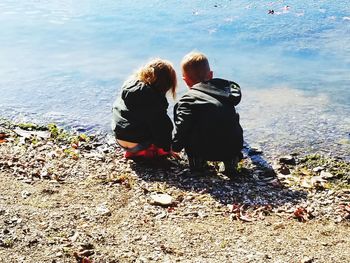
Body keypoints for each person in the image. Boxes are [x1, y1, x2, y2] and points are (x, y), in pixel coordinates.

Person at [172, 52, 243, 178]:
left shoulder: (187, 100)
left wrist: (175, 147)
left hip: (203, 150)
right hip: (232, 147)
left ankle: (197, 164)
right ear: (211, 75)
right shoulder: (226, 93)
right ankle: (231, 162)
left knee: (190, 125)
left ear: (185, 80)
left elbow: (182, 128)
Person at [112, 58, 177, 159]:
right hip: (137, 144)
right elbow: (163, 128)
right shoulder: (154, 99)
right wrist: (168, 148)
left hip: (119, 138)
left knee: (140, 121)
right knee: (160, 128)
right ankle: (143, 152)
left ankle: (132, 151)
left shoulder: (128, 86)